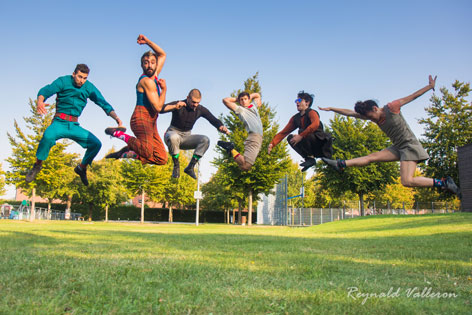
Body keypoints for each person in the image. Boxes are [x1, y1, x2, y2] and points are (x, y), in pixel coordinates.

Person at [319, 75, 461, 197]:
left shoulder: (392, 107)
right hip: (398, 147)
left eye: (371, 117)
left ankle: (443, 182)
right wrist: (332, 109)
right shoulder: (371, 115)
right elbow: (350, 113)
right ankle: (341, 164)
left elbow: (412, 96)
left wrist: (429, 86)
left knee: (407, 181)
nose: (372, 120)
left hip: (409, 146)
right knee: (372, 157)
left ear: (375, 108)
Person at [25, 64, 124, 186]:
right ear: (74, 74)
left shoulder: (89, 87)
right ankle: (37, 165)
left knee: (96, 144)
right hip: (59, 122)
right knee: (48, 136)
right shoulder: (63, 81)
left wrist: (117, 119)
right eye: (80, 77)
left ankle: (82, 168)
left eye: (85, 78)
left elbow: (103, 102)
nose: (82, 80)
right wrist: (40, 101)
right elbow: (46, 90)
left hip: (74, 125)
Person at [105, 34, 168, 166]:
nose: (149, 65)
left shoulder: (155, 75)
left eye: (152, 62)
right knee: (146, 150)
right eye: (146, 63)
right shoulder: (146, 81)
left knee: (161, 158)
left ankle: (127, 152)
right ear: (141, 65)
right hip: (141, 118)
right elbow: (157, 107)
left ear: (156, 64)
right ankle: (117, 133)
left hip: (151, 122)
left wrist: (147, 42)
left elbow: (162, 54)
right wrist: (164, 90)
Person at [161, 89, 229, 179]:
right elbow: (160, 109)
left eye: (197, 102)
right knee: (174, 137)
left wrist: (220, 126)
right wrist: (175, 106)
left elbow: (212, 119)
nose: (195, 105)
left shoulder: (200, 109)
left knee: (205, 140)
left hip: (186, 137)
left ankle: (190, 167)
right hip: (172, 134)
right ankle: (176, 166)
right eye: (193, 102)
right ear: (187, 98)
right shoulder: (179, 104)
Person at [268, 91, 332, 171]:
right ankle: (309, 159)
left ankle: (316, 157)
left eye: (299, 101)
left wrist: (301, 135)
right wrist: (272, 143)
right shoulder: (295, 118)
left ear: (307, 102)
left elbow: (315, 124)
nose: (297, 103)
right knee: (290, 138)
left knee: (301, 131)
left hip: (319, 143)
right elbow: (284, 132)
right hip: (309, 145)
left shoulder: (312, 113)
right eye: (296, 101)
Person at [217, 92, 263, 171]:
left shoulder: (253, 106)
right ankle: (230, 148)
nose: (244, 101)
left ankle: (230, 148)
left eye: (245, 99)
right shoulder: (240, 110)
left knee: (243, 166)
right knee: (245, 166)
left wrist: (250, 96)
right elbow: (225, 100)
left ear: (249, 99)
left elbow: (258, 95)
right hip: (254, 137)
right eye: (241, 100)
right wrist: (236, 99)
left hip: (257, 138)